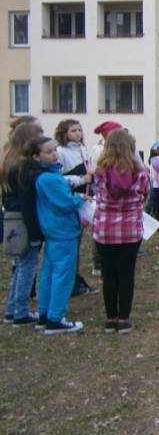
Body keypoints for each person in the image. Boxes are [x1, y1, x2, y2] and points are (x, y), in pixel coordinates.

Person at [91, 129, 150, 333]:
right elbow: (145, 195)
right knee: (126, 274)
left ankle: (111, 318)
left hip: (105, 229)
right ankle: (124, 318)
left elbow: (95, 192)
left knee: (109, 274)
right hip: (129, 229)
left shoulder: (99, 171)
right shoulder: (140, 172)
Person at [32, 136, 88, 334]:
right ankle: (55, 318)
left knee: (49, 272)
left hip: (54, 230)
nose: (54, 154)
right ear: (36, 156)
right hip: (62, 230)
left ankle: (44, 314)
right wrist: (80, 198)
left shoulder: (47, 176)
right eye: (48, 152)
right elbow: (64, 202)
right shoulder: (48, 179)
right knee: (62, 274)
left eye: (54, 150)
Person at [1, 122, 44, 326]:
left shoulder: (8, 161)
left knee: (19, 265)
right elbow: (27, 201)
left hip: (11, 217)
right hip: (24, 220)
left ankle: (12, 308)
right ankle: (20, 311)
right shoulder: (23, 166)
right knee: (27, 266)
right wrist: (35, 232)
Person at [54, 119, 100, 290]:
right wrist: (81, 179)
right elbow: (57, 180)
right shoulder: (60, 152)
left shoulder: (82, 149)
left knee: (79, 238)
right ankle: (70, 279)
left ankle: (74, 276)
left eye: (79, 130)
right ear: (64, 133)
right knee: (72, 240)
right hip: (72, 198)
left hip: (86, 197)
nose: (78, 133)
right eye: (73, 130)